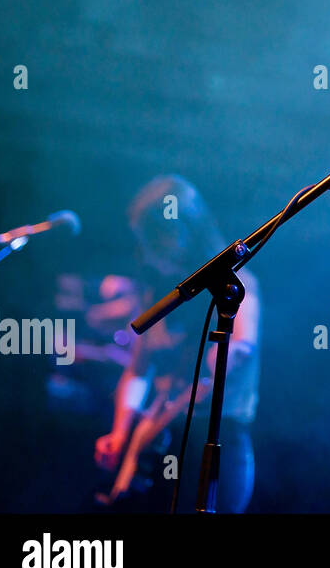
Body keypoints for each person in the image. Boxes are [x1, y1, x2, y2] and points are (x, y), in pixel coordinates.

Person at [93, 175, 260, 513]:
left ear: (183, 232)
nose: (144, 251)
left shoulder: (236, 284)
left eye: (152, 239)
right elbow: (138, 371)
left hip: (213, 441)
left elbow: (239, 347)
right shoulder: (160, 294)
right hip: (160, 442)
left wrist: (231, 355)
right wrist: (121, 432)